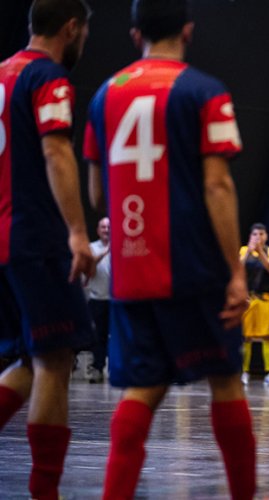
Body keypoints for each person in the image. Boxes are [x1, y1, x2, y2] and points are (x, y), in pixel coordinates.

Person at [83, 1, 256, 498]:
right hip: (194, 266)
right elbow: (218, 187)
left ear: (135, 34)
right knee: (224, 380)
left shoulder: (103, 96)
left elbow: (98, 194)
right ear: (188, 30)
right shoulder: (206, 92)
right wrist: (235, 271)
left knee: (143, 389)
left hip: (134, 272)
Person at [0, 1, 94, 498]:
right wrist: (78, 233)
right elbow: (56, 150)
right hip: (35, 238)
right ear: (71, 28)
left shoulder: (2, 74)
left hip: (3, 241)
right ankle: (45, 492)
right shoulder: (48, 78)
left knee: (27, 360)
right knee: (56, 360)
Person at [240, 222, 269, 386]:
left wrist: (260, 251)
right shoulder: (243, 250)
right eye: (255, 235)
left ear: (266, 236)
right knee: (245, 337)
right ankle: (244, 372)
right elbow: (237, 269)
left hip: (265, 299)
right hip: (248, 299)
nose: (258, 237)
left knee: (267, 336)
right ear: (250, 236)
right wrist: (249, 250)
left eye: (261, 234)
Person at [85, 217, 111, 383]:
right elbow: (89, 272)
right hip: (97, 300)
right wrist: (104, 253)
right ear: (98, 230)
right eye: (103, 227)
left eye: (109, 227)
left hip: (117, 301)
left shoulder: (122, 246)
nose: (106, 230)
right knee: (98, 338)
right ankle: (98, 369)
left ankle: (118, 370)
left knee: (119, 337)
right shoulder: (91, 248)